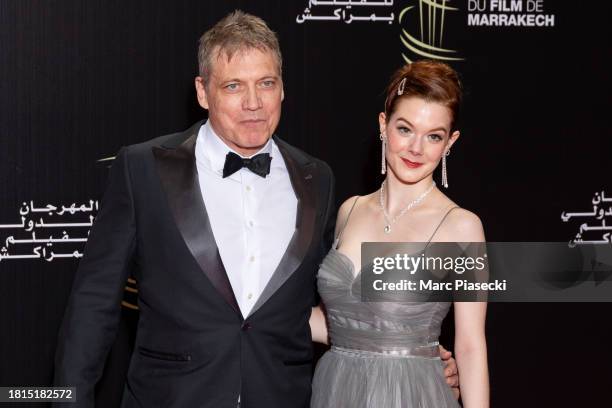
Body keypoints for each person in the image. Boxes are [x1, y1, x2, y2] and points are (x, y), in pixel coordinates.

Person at [53, 11, 458, 408]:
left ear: (282, 88)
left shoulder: (317, 178)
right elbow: (93, 304)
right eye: (233, 86)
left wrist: (409, 352)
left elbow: (323, 308)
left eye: (266, 83)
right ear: (201, 91)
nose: (253, 103)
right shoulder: (143, 169)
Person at [309, 60, 488, 407]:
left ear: (450, 142)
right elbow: (333, 322)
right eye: (405, 129)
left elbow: (470, 346)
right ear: (383, 125)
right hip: (336, 391)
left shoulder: (461, 226)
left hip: (411, 396)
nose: (416, 148)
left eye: (433, 135)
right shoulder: (351, 210)